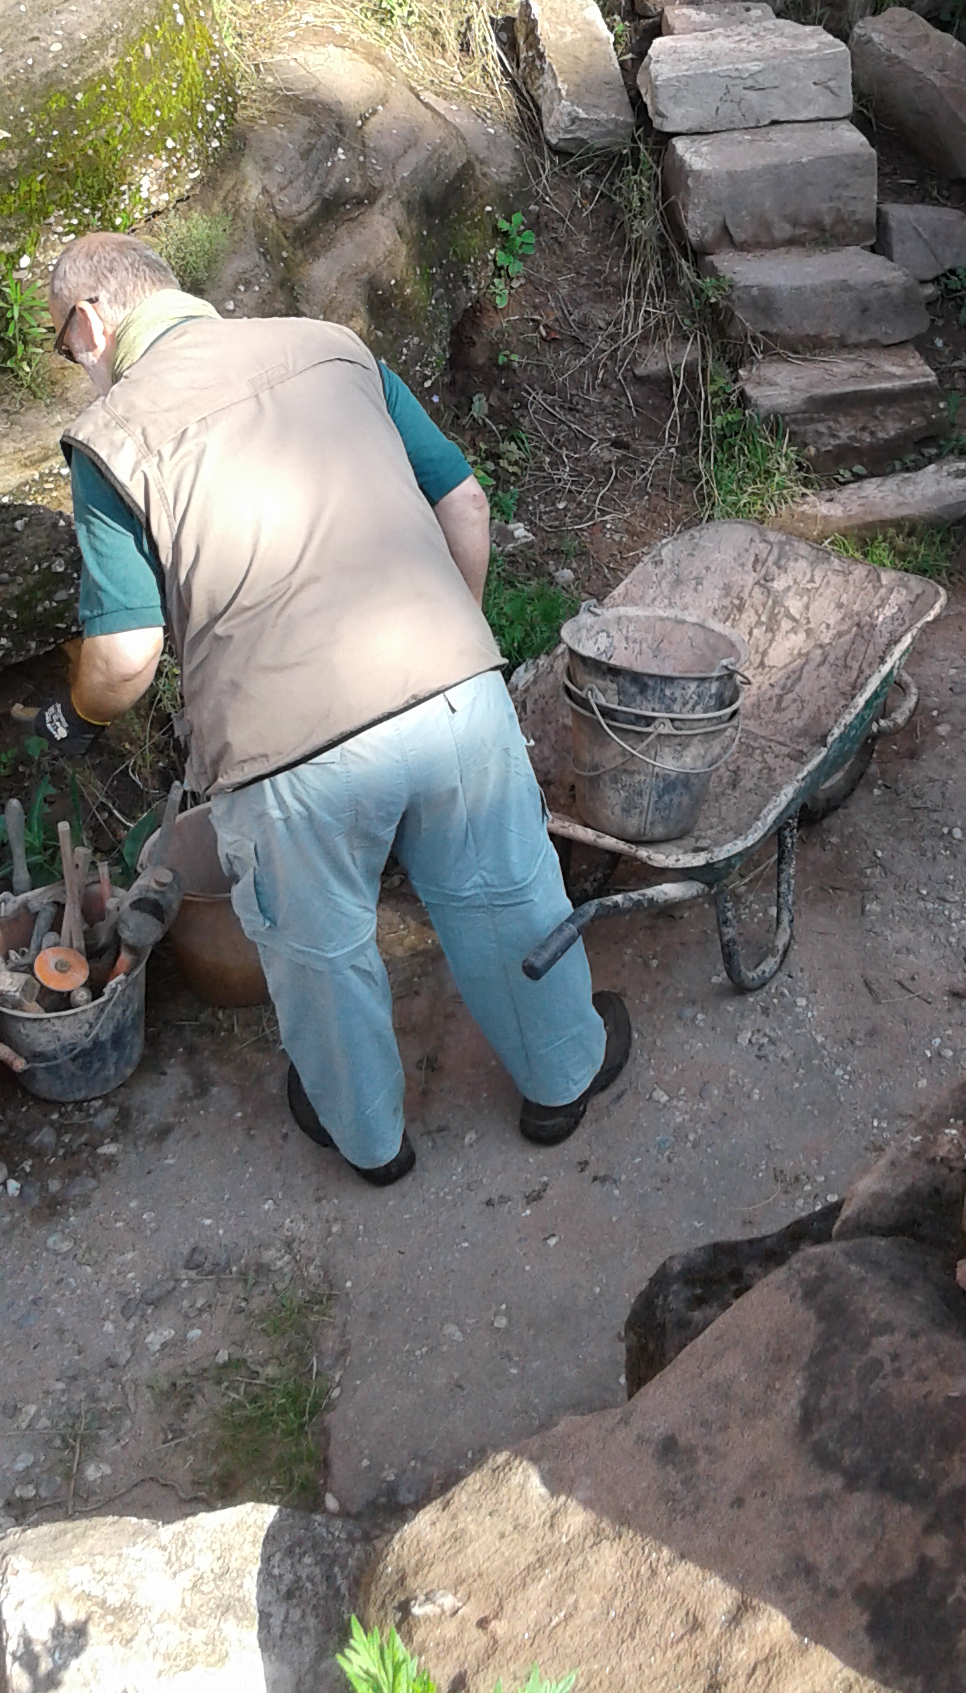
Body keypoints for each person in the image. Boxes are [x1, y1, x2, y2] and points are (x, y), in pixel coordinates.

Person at [36, 231, 629, 1185]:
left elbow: (124, 658)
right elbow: (466, 505)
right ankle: (563, 1076)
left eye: (67, 349)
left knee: (321, 955)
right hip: (450, 695)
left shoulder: (112, 437)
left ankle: (372, 1141)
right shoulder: (334, 347)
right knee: (507, 895)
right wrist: (448, 654)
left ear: (91, 322)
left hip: (286, 758)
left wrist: (79, 714)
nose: (77, 368)